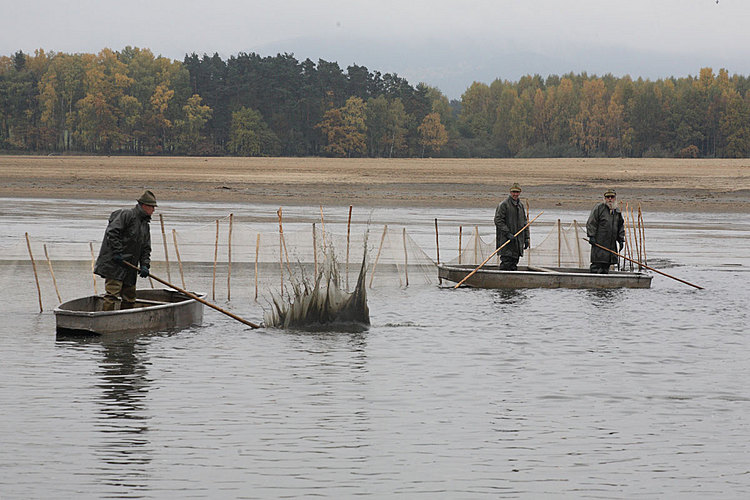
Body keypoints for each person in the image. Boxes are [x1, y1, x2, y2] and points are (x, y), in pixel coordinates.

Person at [94, 190, 156, 310]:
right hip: (115, 264)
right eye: (152, 207)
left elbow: (145, 247)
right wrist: (117, 252)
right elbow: (112, 232)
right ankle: (106, 319)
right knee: (112, 294)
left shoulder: (145, 225)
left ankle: (126, 318)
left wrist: (145, 265)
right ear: (144, 206)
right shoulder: (126, 215)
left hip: (130, 267)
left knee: (130, 296)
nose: (153, 210)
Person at [586, 188, 625, 274]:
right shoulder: (599, 208)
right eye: (608, 197)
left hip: (611, 244)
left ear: (615, 198)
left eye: (612, 197)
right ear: (605, 198)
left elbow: (620, 227)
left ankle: (605, 284)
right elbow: (591, 222)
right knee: (597, 264)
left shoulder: (617, 212)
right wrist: (591, 236)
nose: (610, 199)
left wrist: (621, 240)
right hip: (599, 243)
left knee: (606, 266)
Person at [494, 183, 530, 271]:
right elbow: (498, 220)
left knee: (514, 262)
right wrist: (507, 233)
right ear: (510, 192)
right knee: (506, 262)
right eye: (514, 192)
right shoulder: (504, 205)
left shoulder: (521, 206)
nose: (515, 194)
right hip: (506, 240)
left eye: (517, 192)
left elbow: (525, 223)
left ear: (520, 193)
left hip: (518, 241)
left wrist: (526, 238)